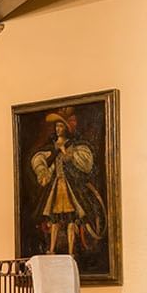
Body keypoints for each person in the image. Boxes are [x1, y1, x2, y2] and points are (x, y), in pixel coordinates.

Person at [30, 109, 105, 257]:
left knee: (71, 219)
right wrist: (44, 171)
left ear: (66, 128)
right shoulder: (52, 147)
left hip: (70, 187)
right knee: (55, 219)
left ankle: (71, 252)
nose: (58, 129)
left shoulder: (72, 146)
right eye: (56, 126)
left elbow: (81, 164)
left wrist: (66, 153)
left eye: (61, 126)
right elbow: (47, 163)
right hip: (57, 186)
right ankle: (52, 249)